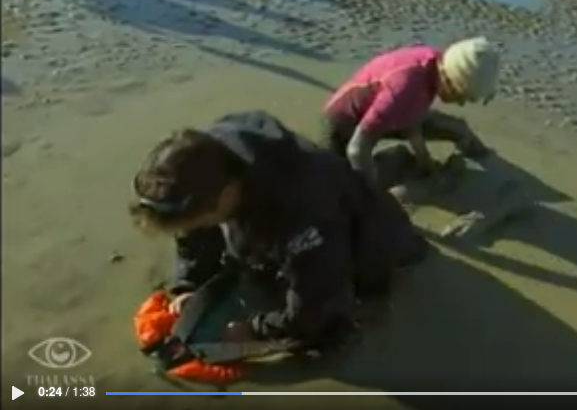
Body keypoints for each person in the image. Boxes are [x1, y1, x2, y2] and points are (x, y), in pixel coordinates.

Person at [129, 110, 428, 352]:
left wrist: (254, 329)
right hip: (303, 213)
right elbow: (192, 230)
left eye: (197, 222)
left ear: (226, 194)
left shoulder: (301, 206)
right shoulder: (206, 160)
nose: (192, 229)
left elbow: (314, 302)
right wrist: (189, 284)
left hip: (370, 234)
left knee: (329, 325)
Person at [321, 36, 501, 187]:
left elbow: (412, 119)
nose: (461, 103)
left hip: (387, 112)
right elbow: (357, 148)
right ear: (448, 79)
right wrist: (371, 198)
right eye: (461, 96)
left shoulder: (434, 65)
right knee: (341, 187)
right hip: (343, 127)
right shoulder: (407, 86)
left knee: (457, 128)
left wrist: (424, 159)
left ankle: (486, 159)